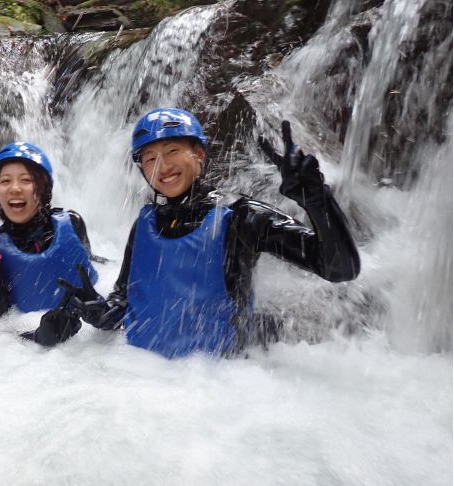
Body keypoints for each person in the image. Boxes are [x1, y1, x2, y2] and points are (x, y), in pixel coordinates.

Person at [56, 107, 361, 358]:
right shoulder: (145, 223)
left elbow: (339, 268)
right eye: (150, 158)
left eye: (173, 150)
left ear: (199, 155)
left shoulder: (242, 217)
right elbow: (124, 300)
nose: (162, 166)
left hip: (217, 387)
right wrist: (102, 312)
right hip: (141, 378)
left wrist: (317, 201)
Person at [0, 141, 98, 346]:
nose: (15, 188)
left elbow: (92, 283)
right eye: (5, 181)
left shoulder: (72, 224)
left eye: (26, 180)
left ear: (43, 188)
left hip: (82, 343)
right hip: (24, 352)